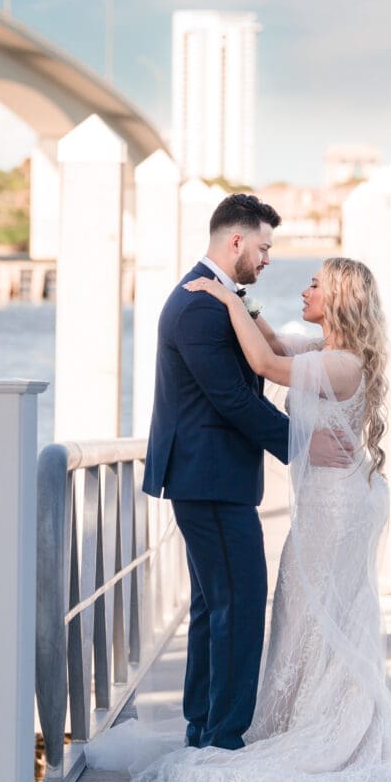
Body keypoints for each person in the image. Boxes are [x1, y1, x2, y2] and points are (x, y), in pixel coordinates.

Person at [88, 256, 391, 782]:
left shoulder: (344, 364)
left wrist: (225, 299)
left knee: (322, 608)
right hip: (323, 504)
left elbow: (263, 363)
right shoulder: (322, 351)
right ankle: (299, 713)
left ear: (337, 299)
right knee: (299, 606)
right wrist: (241, 297)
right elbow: (277, 343)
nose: (304, 290)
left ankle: (333, 721)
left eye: (315, 285)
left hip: (338, 507)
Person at [140, 193, 346, 753]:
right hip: (207, 478)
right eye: (264, 246)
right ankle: (224, 738)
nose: (269, 258)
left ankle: (205, 727)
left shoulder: (218, 298)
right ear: (236, 241)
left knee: (215, 605)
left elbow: (268, 357)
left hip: (210, 477)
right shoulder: (199, 306)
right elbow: (232, 397)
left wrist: (244, 306)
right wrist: (303, 444)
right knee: (241, 603)